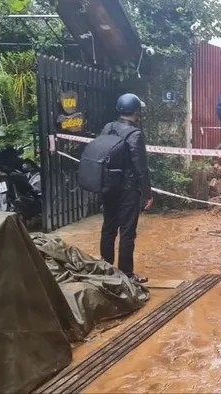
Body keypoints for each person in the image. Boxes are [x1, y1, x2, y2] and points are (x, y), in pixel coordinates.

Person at [99, 93, 153, 284]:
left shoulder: (108, 128)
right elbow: (141, 167)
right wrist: (147, 193)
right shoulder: (135, 134)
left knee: (108, 228)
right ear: (137, 111)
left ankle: (104, 268)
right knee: (127, 232)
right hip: (128, 190)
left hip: (108, 186)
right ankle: (127, 274)